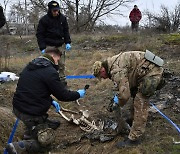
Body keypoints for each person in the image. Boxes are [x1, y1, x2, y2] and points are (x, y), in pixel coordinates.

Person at [6, 47, 86, 153]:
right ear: (53, 56)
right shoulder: (49, 71)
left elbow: (35, 90)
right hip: (30, 113)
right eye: (58, 59)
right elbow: (63, 95)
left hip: (18, 107)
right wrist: (78, 94)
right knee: (45, 142)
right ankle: (19, 146)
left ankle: (39, 125)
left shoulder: (32, 65)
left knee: (53, 125)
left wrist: (50, 100)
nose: (58, 63)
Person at [93, 50, 165, 148]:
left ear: (102, 70)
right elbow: (127, 81)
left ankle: (134, 138)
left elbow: (124, 95)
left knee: (140, 102)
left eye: (102, 76)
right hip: (145, 71)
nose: (104, 78)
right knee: (135, 95)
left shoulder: (115, 69)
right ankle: (134, 120)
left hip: (152, 73)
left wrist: (117, 102)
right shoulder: (112, 63)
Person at [36, 1, 71, 86]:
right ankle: (50, 83)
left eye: (57, 10)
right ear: (50, 10)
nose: (56, 12)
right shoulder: (44, 20)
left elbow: (66, 31)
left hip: (60, 45)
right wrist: (42, 47)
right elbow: (39, 34)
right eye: (54, 11)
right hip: (49, 46)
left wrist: (67, 42)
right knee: (49, 65)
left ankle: (62, 82)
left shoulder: (62, 18)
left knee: (61, 64)